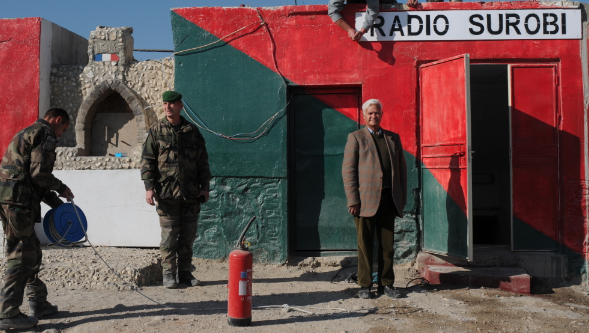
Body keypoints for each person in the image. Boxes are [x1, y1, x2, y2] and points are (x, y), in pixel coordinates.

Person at [0, 108, 74, 329]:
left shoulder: (26, 132)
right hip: (19, 203)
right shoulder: (45, 133)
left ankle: (38, 303)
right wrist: (61, 187)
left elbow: (29, 175)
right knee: (21, 256)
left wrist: (56, 203)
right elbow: (39, 174)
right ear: (58, 120)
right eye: (63, 129)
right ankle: (8, 314)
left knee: (32, 253)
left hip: (9, 199)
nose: (60, 135)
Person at [141, 91, 211, 289]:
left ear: (180, 105)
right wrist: (149, 188)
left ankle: (186, 273)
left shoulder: (192, 131)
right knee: (169, 237)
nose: (168, 107)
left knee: (188, 237)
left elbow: (202, 161)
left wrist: (205, 188)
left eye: (172, 104)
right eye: (165, 104)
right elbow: (147, 161)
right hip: (166, 193)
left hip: (191, 193)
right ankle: (169, 274)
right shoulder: (156, 130)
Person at [342, 99, 407, 299]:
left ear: (381, 114)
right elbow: (348, 170)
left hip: (388, 199)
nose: (373, 116)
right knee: (365, 245)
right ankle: (364, 285)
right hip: (365, 201)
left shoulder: (393, 138)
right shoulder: (356, 138)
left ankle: (386, 284)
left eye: (377, 113)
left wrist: (401, 198)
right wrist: (353, 199)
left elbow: (402, 170)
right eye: (370, 113)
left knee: (387, 246)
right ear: (364, 115)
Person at [328, 0, 419, 41]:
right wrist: (348, 29)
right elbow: (332, 10)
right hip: (356, 5)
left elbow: (373, 9)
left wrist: (363, 30)